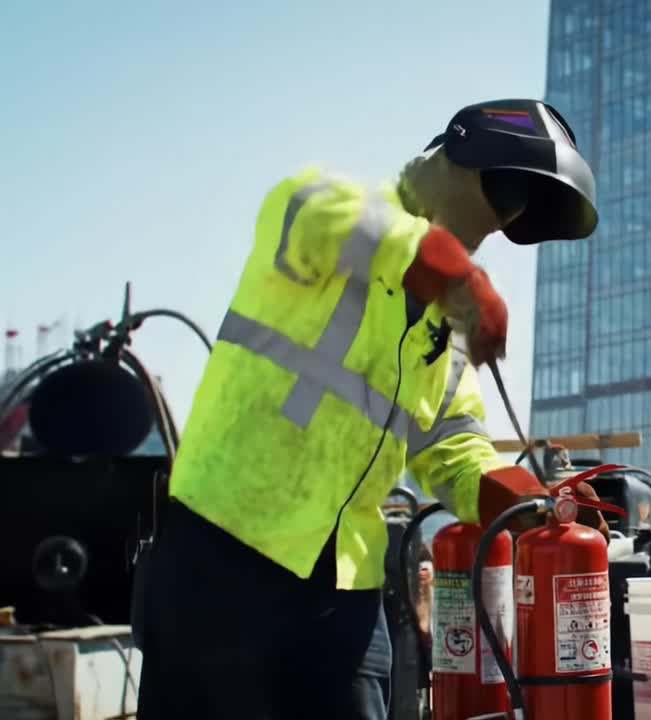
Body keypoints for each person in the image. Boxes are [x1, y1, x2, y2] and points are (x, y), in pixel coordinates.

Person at [134, 98, 607, 720]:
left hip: (344, 585)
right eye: (503, 199)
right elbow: (312, 208)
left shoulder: (448, 330)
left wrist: (517, 501)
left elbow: (452, 445)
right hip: (226, 549)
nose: (495, 226)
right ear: (456, 161)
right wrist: (454, 276)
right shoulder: (332, 213)